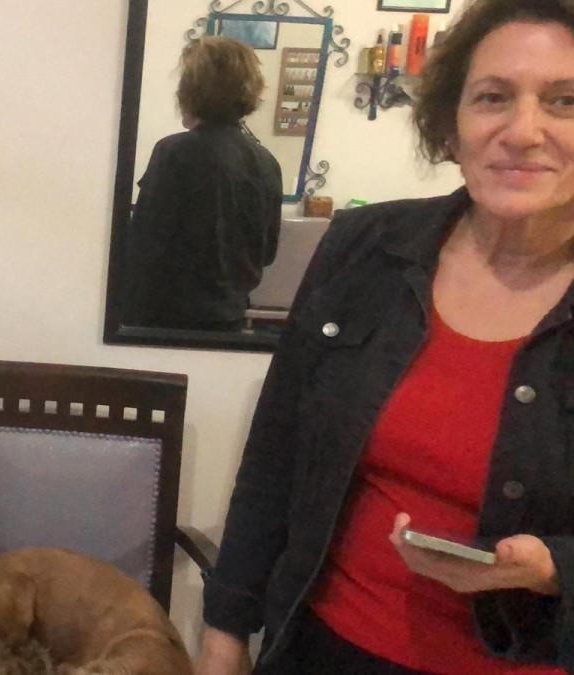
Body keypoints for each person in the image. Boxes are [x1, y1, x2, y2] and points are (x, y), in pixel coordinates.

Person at [196, 1, 574, 672]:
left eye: (564, 102)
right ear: (450, 125)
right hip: (319, 652)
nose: (522, 131)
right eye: (492, 97)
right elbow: (275, 459)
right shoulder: (365, 248)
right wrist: (223, 636)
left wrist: (554, 568)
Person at [124, 36, 283, 332]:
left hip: (164, 319)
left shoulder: (174, 153)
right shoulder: (266, 162)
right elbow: (268, 253)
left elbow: (144, 245)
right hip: (229, 318)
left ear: (191, 91)